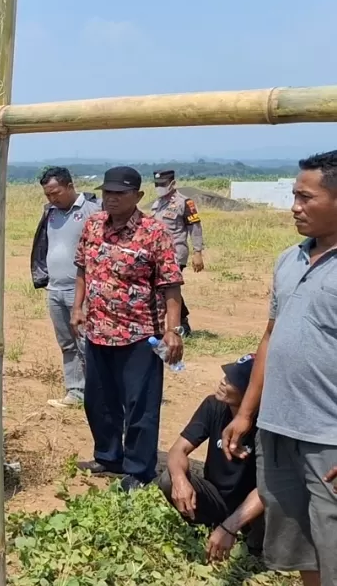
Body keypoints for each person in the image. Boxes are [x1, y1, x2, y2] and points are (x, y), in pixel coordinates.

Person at [222, 150, 337, 586]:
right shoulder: (289, 259)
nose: (294, 207)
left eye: (306, 198)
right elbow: (270, 337)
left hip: (330, 438)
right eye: (294, 195)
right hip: (280, 428)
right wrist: (247, 414)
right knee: (303, 544)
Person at [70, 166, 184, 491]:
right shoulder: (93, 226)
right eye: (108, 192)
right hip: (98, 331)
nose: (112, 199)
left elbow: (171, 287)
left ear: (138, 196)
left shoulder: (154, 232)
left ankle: (138, 469)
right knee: (99, 401)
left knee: (140, 406)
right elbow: (82, 269)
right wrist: (77, 308)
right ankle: (108, 456)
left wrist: (172, 331)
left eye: (120, 193)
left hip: (140, 335)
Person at [157, 353, 263, 563]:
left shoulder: (266, 427)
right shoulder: (213, 405)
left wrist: (232, 525)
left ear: (252, 393)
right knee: (168, 479)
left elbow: (269, 488)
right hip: (217, 497)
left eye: (233, 381)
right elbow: (178, 450)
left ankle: (254, 549)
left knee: (278, 501)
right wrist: (180, 481)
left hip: (251, 509)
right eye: (227, 375)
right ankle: (209, 526)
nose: (224, 381)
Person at [30, 166, 101, 409]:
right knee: (67, 343)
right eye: (48, 194)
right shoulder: (50, 212)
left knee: (87, 342)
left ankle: (98, 394)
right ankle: (75, 391)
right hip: (55, 289)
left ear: (70, 186)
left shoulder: (93, 209)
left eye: (56, 193)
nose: (52, 198)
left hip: (82, 290)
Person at [151, 170, 204, 336]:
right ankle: (181, 321)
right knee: (164, 289)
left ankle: (179, 325)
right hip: (157, 254)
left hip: (175, 254)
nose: (159, 187)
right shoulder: (157, 204)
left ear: (172, 183)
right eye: (157, 184)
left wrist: (198, 252)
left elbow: (195, 227)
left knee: (166, 288)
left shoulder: (184, 203)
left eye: (163, 184)